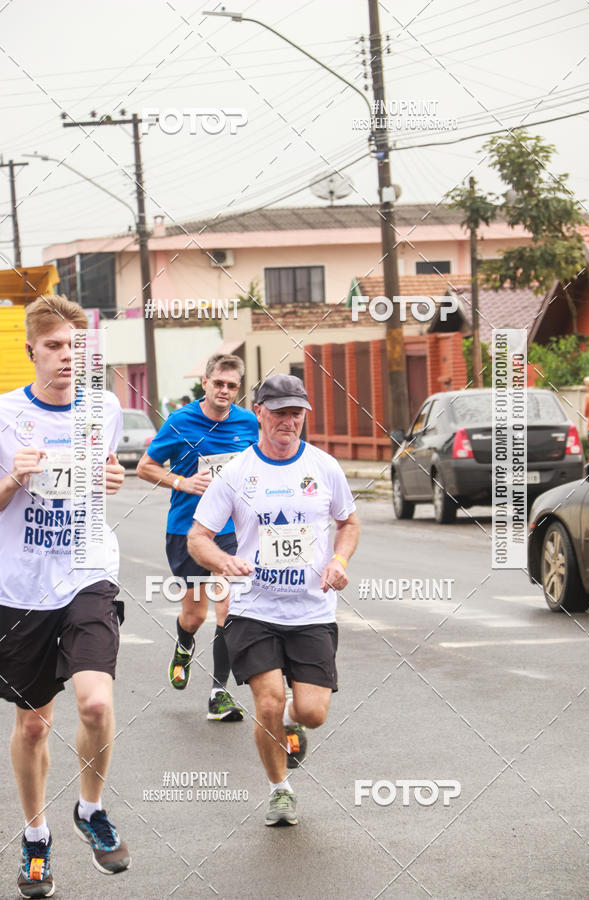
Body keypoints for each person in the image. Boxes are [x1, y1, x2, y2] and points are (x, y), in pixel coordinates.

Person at [0, 295, 130, 898]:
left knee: (96, 705)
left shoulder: (104, 408)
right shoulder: (3, 417)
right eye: (54, 346)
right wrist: (13, 479)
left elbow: (101, 475)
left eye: (77, 347)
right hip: (21, 585)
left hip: (86, 569)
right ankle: (35, 837)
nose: (66, 357)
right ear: (31, 351)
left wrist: (111, 476)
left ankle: (90, 808)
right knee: (32, 727)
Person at [187, 373, 360, 826]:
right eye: (280, 412)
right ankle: (279, 789)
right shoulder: (236, 473)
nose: (289, 421)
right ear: (260, 413)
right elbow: (198, 538)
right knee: (264, 703)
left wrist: (339, 560)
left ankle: (291, 716)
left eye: (296, 412)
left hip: (311, 609)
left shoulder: (324, 467)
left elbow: (349, 522)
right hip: (252, 608)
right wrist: (224, 563)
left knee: (312, 713)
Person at [136, 354, 258, 721]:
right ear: (205, 383)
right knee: (194, 614)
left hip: (229, 532)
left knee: (228, 608)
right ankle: (184, 643)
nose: (224, 391)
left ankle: (218, 695)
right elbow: (145, 466)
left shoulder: (249, 423)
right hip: (187, 530)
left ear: (238, 389)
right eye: (218, 383)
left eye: (231, 386)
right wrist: (182, 482)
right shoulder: (180, 421)